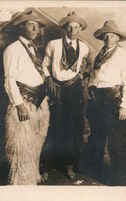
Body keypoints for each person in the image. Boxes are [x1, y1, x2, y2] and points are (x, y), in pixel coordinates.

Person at [3, 9, 50, 185]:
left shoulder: (35, 50)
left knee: (37, 143)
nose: (35, 28)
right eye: (31, 24)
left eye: (37, 26)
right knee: (21, 147)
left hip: (40, 102)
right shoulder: (12, 49)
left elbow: (39, 71)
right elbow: (9, 79)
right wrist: (19, 105)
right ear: (21, 27)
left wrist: (48, 80)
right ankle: (21, 182)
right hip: (23, 103)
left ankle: (34, 175)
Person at [42, 11, 91, 179]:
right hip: (56, 86)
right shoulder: (53, 44)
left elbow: (86, 66)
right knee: (54, 125)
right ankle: (47, 165)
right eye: (69, 27)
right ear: (65, 28)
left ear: (80, 29)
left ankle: (69, 166)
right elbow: (44, 65)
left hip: (74, 89)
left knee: (73, 127)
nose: (72, 30)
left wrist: (79, 77)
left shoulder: (84, 47)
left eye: (76, 27)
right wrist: (48, 79)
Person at [86, 20, 126, 185]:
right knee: (97, 136)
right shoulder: (100, 54)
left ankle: (119, 178)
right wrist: (91, 88)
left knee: (116, 141)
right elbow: (93, 77)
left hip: (113, 101)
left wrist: (124, 106)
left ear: (117, 38)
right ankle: (96, 171)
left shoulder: (123, 55)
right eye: (106, 36)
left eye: (112, 36)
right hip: (98, 101)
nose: (108, 39)